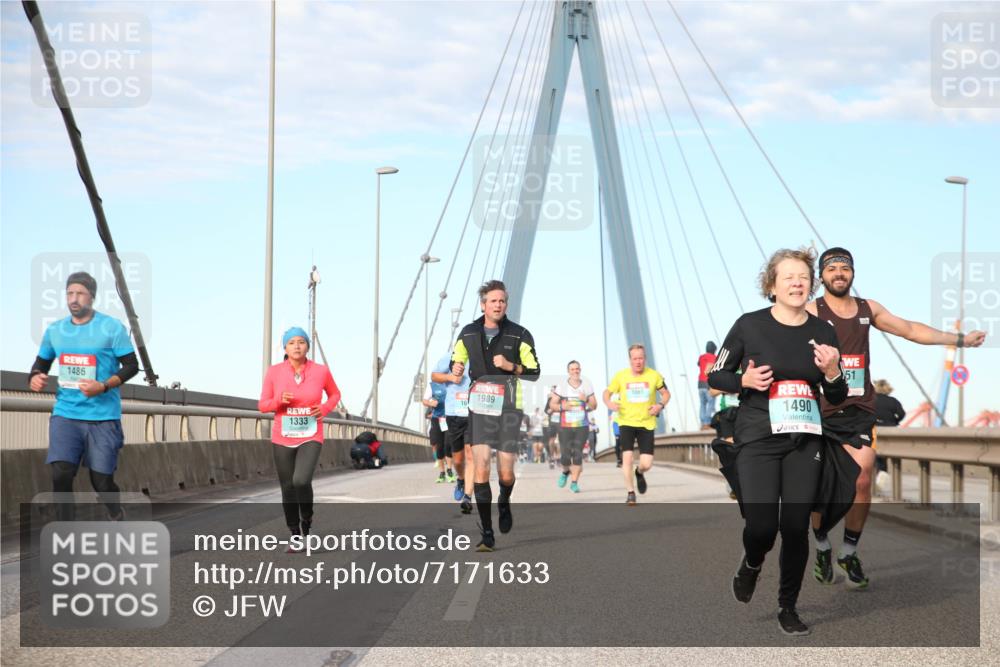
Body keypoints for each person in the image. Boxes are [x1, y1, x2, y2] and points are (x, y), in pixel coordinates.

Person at [806, 247, 987, 589]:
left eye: (845, 267)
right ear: (822, 276)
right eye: (832, 268)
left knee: (862, 480)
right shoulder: (810, 310)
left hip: (858, 412)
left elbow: (910, 330)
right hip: (819, 412)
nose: (839, 273)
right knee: (818, 487)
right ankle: (822, 546)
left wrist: (959, 339)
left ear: (853, 274)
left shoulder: (867, 309)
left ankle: (848, 551)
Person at [708, 247, 849, 637]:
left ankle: (788, 606)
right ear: (772, 285)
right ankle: (752, 563)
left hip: (805, 438)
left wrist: (834, 371)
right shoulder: (749, 325)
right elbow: (716, 376)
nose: (797, 282)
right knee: (761, 525)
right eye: (787, 276)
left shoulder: (823, 331)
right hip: (759, 435)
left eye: (803, 276)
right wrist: (743, 381)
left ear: (812, 284)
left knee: (795, 525)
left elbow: (836, 395)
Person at [29, 272, 139, 521]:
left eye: (79, 293)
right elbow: (40, 364)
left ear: (92, 296)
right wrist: (35, 376)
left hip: (103, 416)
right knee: (61, 474)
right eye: (69, 293)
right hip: (66, 414)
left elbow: (131, 366)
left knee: (101, 481)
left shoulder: (111, 327)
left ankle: (115, 511)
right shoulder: (55, 330)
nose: (73, 299)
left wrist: (103, 385)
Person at [451, 280, 540, 552]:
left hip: (509, 409)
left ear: (506, 304)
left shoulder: (520, 334)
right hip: (479, 407)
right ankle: (486, 532)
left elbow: (534, 371)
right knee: (480, 467)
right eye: (493, 300)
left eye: (502, 301)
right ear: (483, 304)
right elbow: (458, 358)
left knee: (505, 472)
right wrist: (457, 368)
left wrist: (510, 365)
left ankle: (504, 499)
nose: (498, 304)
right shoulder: (467, 333)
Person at [259, 328, 341, 552]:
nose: (297, 346)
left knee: (301, 481)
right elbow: (263, 405)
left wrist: (323, 408)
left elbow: (335, 394)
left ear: (307, 347)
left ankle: (307, 524)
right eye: (292, 343)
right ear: (285, 348)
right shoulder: (275, 372)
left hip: (311, 434)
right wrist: (278, 400)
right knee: (287, 487)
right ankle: (295, 534)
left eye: (302, 342)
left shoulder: (321, 371)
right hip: (282, 436)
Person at [603, 345, 670, 505]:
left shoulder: (654, 376)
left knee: (646, 463)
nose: (638, 361)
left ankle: (639, 472)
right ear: (630, 360)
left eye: (640, 358)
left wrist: (660, 405)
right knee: (627, 458)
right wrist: (609, 403)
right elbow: (607, 393)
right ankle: (630, 493)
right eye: (635, 358)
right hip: (626, 421)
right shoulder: (621, 376)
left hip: (646, 424)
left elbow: (666, 394)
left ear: (644, 358)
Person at [431, 351, 473, 512]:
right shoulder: (451, 357)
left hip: (473, 413)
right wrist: (450, 378)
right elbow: (434, 376)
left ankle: (468, 497)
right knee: (458, 459)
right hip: (454, 413)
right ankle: (461, 479)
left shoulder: (481, 355)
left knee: (471, 455)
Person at [549, 360, 597, 493]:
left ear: (580, 370)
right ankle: (565, 472)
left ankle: (574, 482)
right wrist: (561, 406)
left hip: (582, 426)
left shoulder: (587, 385)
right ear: (568, 371)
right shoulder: (562, 386)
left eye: (577, 369)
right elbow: (552, 404)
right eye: (572, 369)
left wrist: (586, 400)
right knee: (565, 456)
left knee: (577, 454)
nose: (575, 371)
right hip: (565, 426)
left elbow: (594, 405)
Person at [872, 379, 904, 492]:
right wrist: (895, 421)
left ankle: (875, 479)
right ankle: (882, 474)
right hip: (889, 431)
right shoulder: (893, 401)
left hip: (874, 430)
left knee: (874, 456)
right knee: (884, 457)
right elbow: (901, 414)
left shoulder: (871, 400)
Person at [422, 379, 453, 484]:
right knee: (439, 446)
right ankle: (442, 473)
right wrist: (431, 403)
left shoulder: (452, 383)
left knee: (448, 445)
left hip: (450, 418)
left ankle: (449, 471)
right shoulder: (432, 385)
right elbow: (425, 400)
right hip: (438, 419)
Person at [697, 341, 718, 429]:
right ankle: (707, 422)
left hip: (700, 384)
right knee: (711, 403)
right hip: (709, 383)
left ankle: (702, 422)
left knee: (702, 404)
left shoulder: (701, 357)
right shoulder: (715, 357)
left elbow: (698, 364)